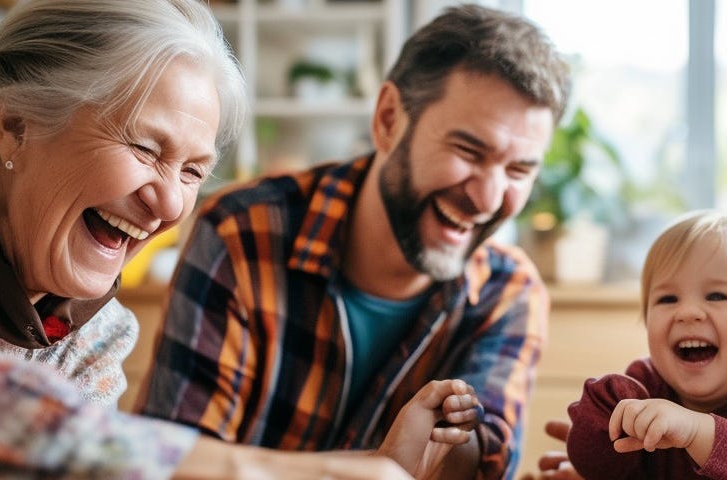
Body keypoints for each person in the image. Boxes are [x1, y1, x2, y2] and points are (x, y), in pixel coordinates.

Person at [0, 0, 416, 477]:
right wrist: (243, 470)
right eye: (145, 148)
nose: (169, 204)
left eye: (192, 171)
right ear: (18, 125)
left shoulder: (97, 337)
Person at [138, 4, 570, 479]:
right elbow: (173, 462)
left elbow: (483, 461)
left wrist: (449, 447)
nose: (487, 198)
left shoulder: (508, 294)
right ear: (388, 119)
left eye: (518, 170)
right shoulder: (245, 232)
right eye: (468, 150)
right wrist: (380, 468)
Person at [565, 207, 727, 479]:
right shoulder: (645, 384)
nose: (687, 313)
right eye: (668, 299)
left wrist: (696, 431)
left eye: (716, 296)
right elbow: (599, 468)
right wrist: (599, 416)